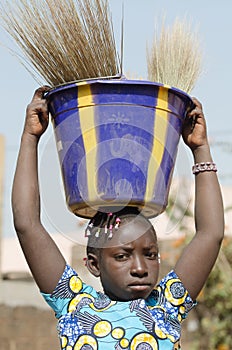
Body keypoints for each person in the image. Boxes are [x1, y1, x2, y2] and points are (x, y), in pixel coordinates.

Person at [12, 86, 224, 350]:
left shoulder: (167, 306)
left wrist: (200, 148)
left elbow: (210, 234)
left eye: (150, 254)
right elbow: (27, 224)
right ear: (93, 264)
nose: (140, 268)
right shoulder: (75, 303)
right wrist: (30, 137)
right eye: (122, 256)